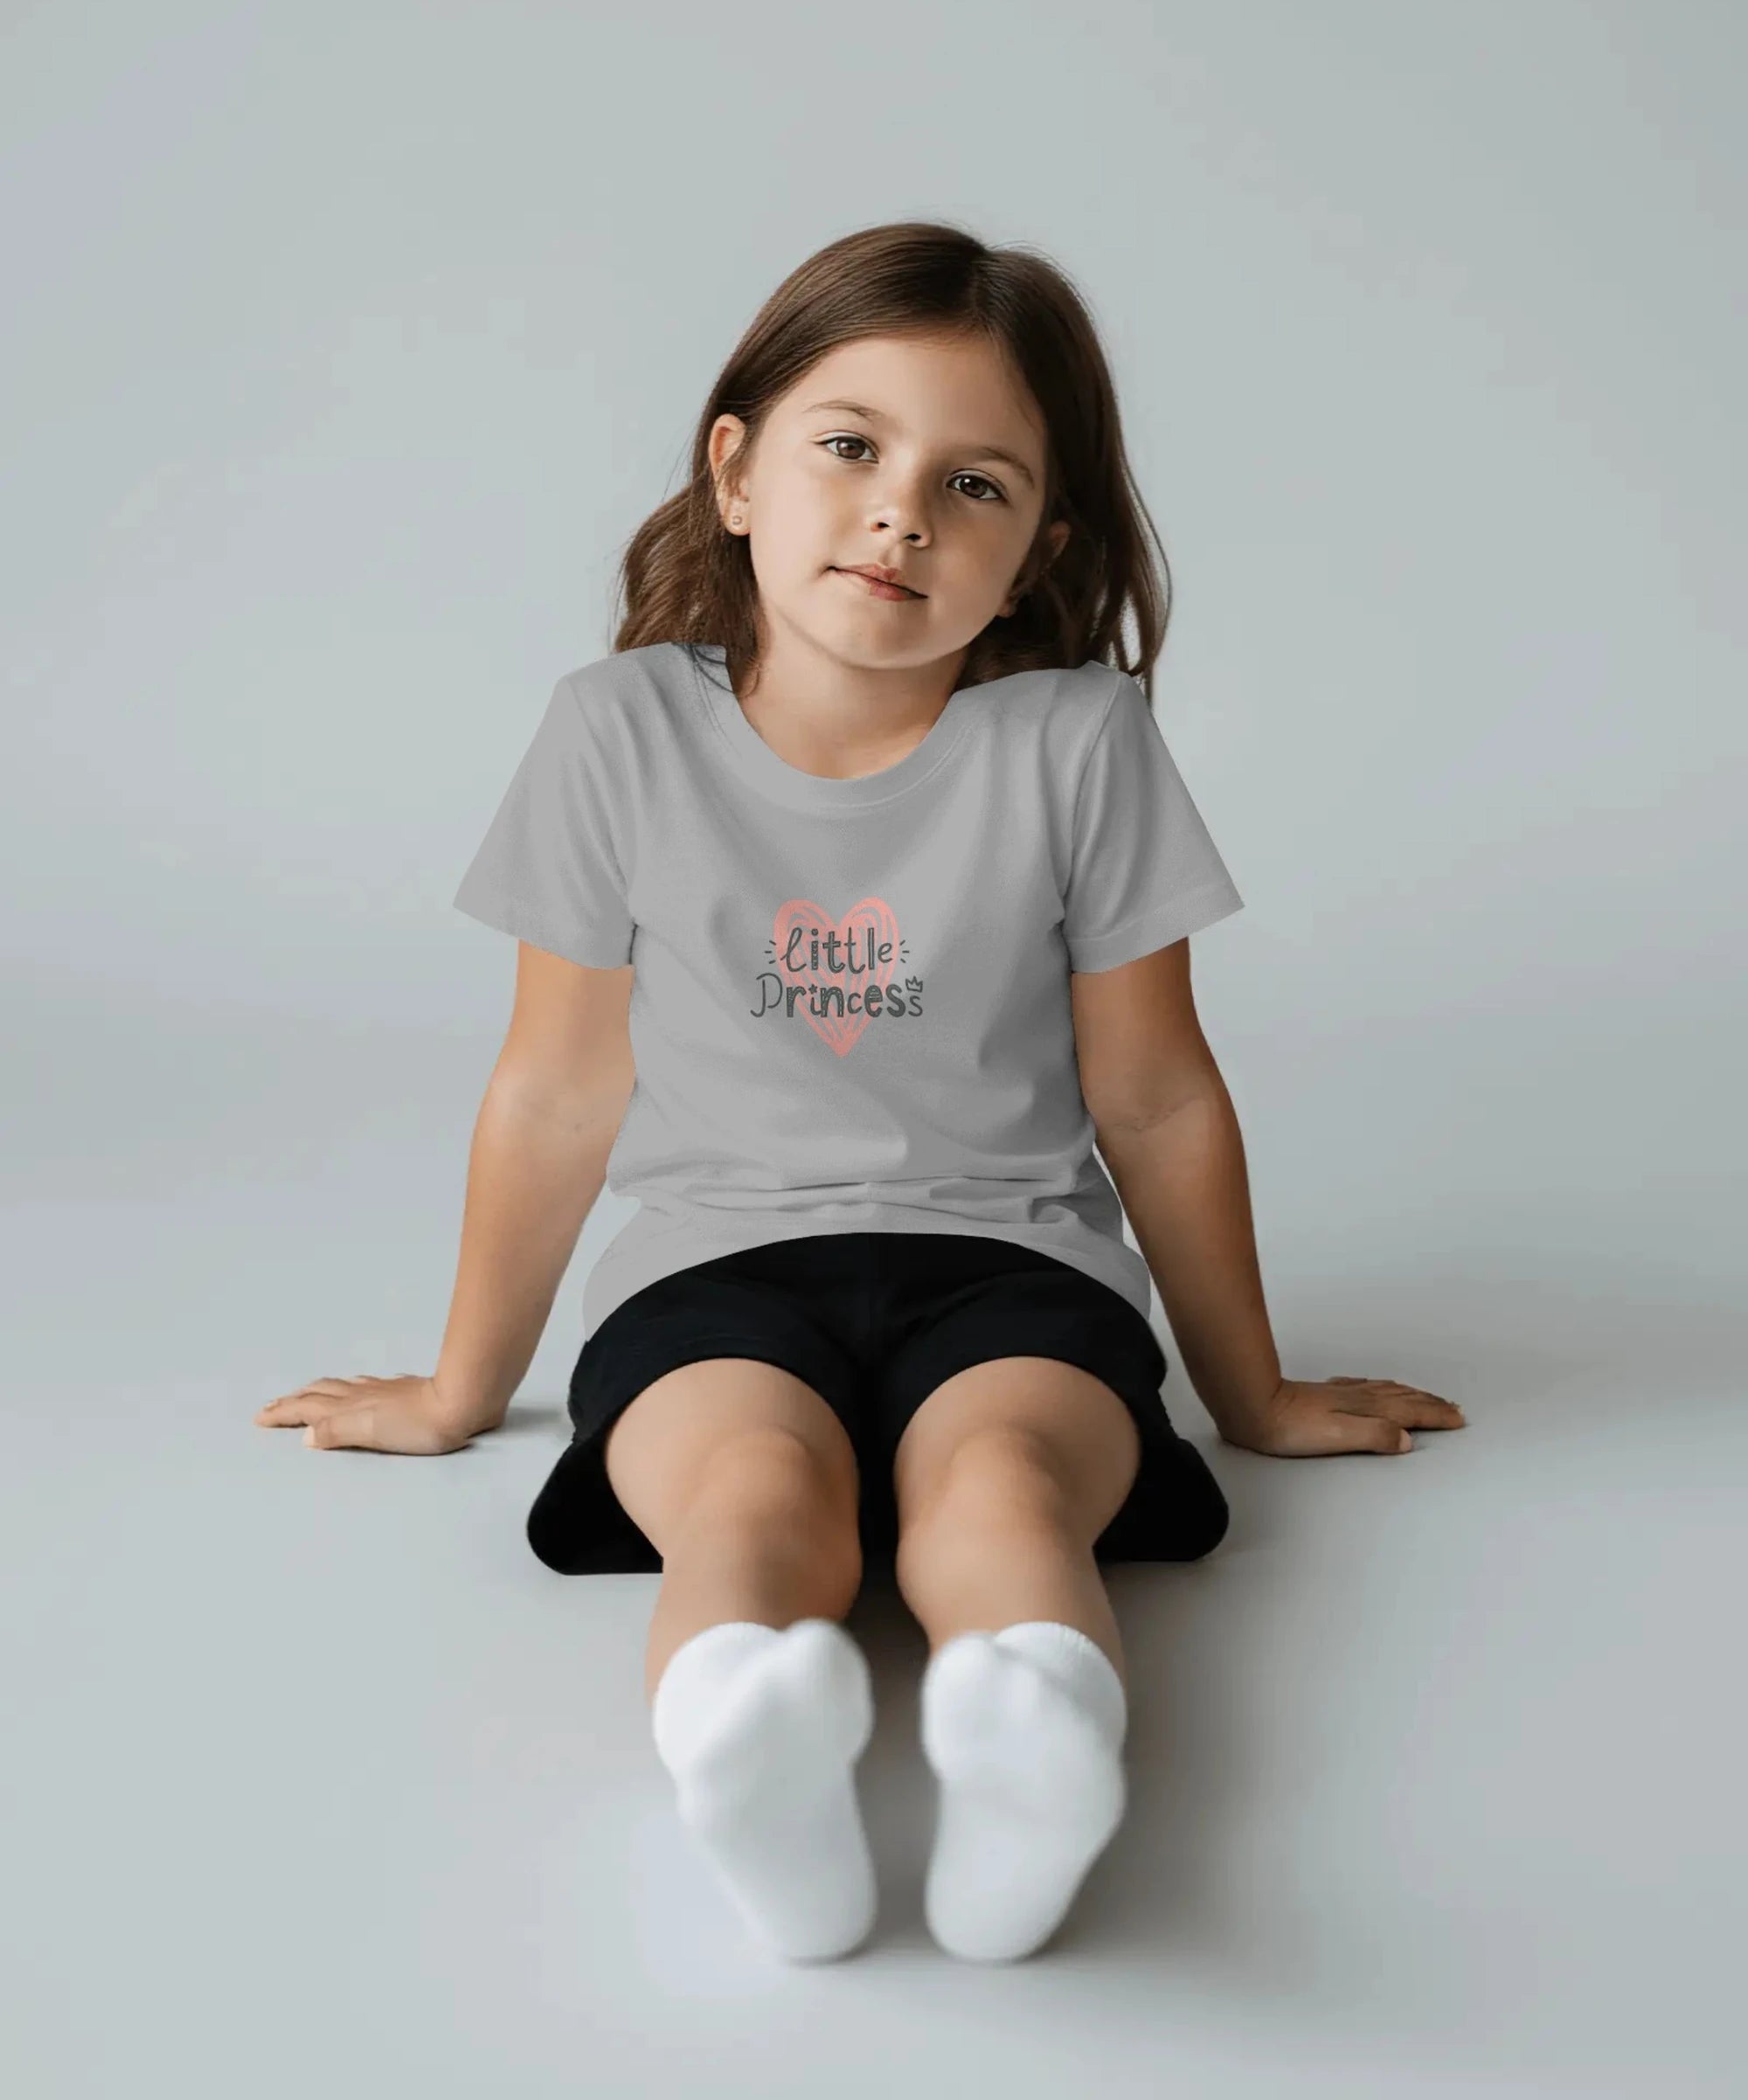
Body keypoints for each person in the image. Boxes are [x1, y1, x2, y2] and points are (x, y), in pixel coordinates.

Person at [253, 220, 1466, 1966]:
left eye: (973, 485)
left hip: (1015, 1268)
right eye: (850, 447)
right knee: (750, 1488)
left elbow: (1156, 1095)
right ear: (735, 470)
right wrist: (460, 1389)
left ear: (1036, 551)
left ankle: (1034, 1758)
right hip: (711, 1273)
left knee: (1005, 1489)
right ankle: (754, 1757)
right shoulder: (616, 732)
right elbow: (556, 1088)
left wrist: (1250, 1392)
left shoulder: (1077, 742)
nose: (901, 514)